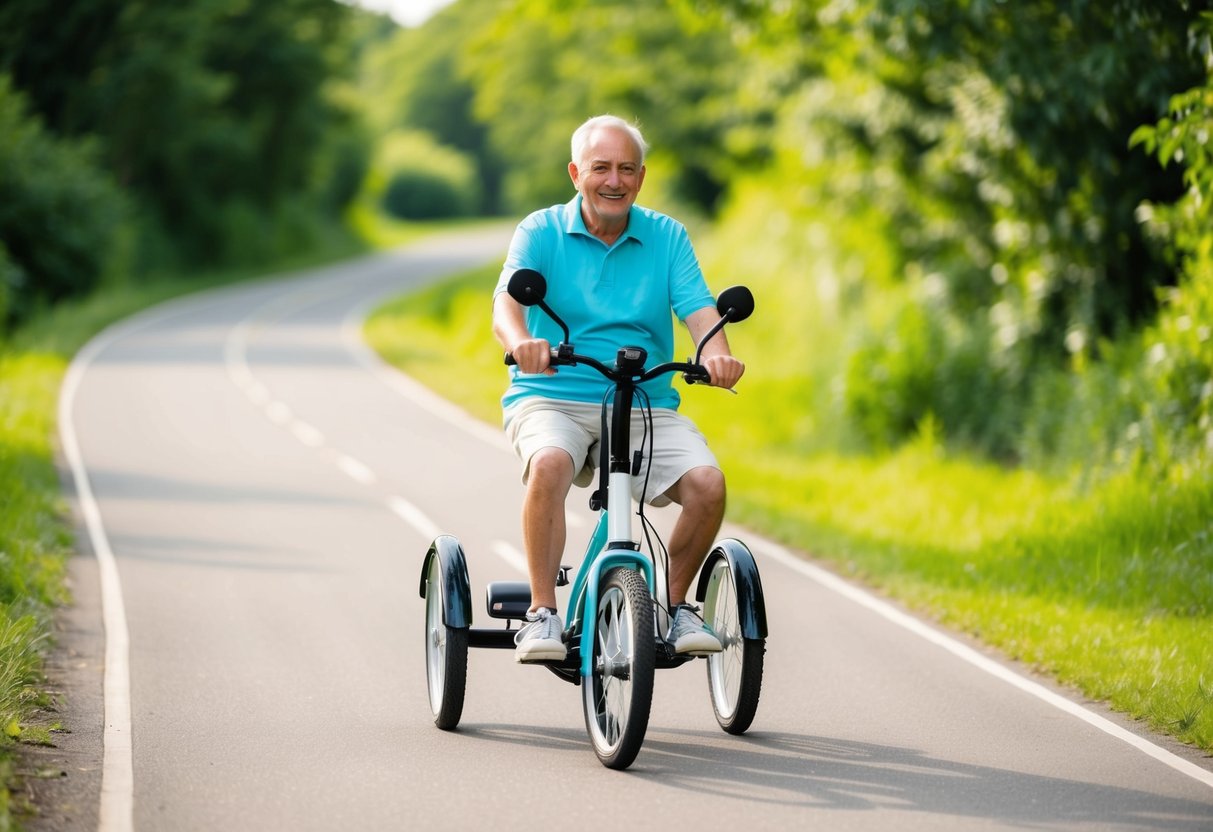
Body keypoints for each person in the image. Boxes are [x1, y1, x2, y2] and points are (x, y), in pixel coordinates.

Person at [492, 114, 745, 663]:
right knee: (552, 464)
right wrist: (521, 343)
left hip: (645, 401)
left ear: (641, 177)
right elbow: (507, 304)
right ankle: (541, 613)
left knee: (708, 485)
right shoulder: (541, 231)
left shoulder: (667, 236)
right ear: (575, 172)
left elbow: (700, 313)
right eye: (601, 167)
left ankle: (675, 609)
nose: (614, 180)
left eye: (626, 169)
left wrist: (717, 356)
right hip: (553, 392)